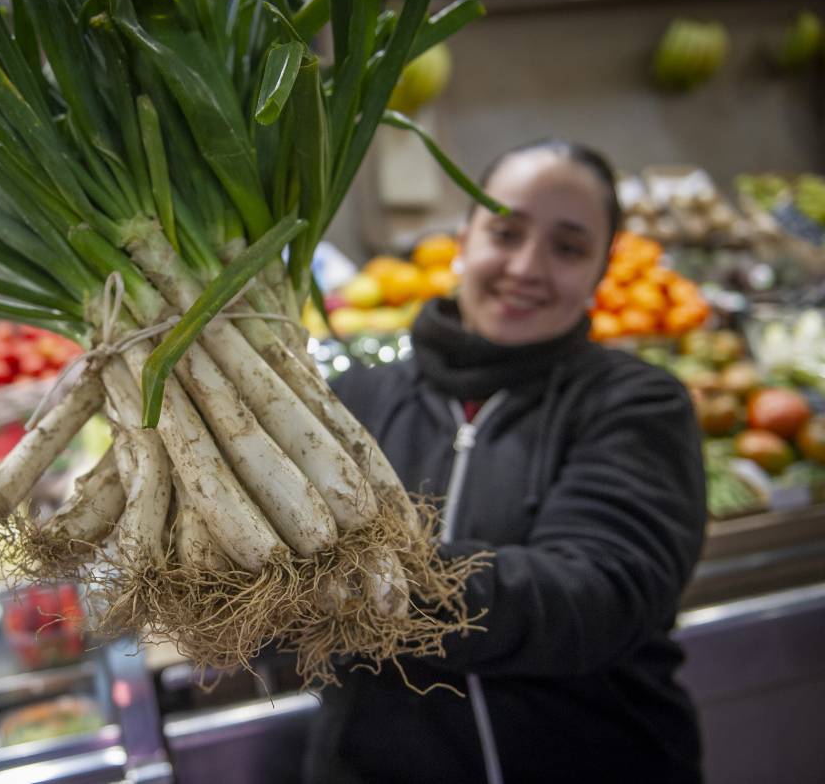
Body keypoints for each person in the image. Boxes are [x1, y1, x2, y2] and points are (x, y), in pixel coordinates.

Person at [303, 139, 707, 783]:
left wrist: (366, 583)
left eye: (568, 248)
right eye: (505, 232)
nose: (526, 266)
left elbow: (596, 592)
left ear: (601, 271)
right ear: (463, 241)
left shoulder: (637, 403)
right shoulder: (355, 396)